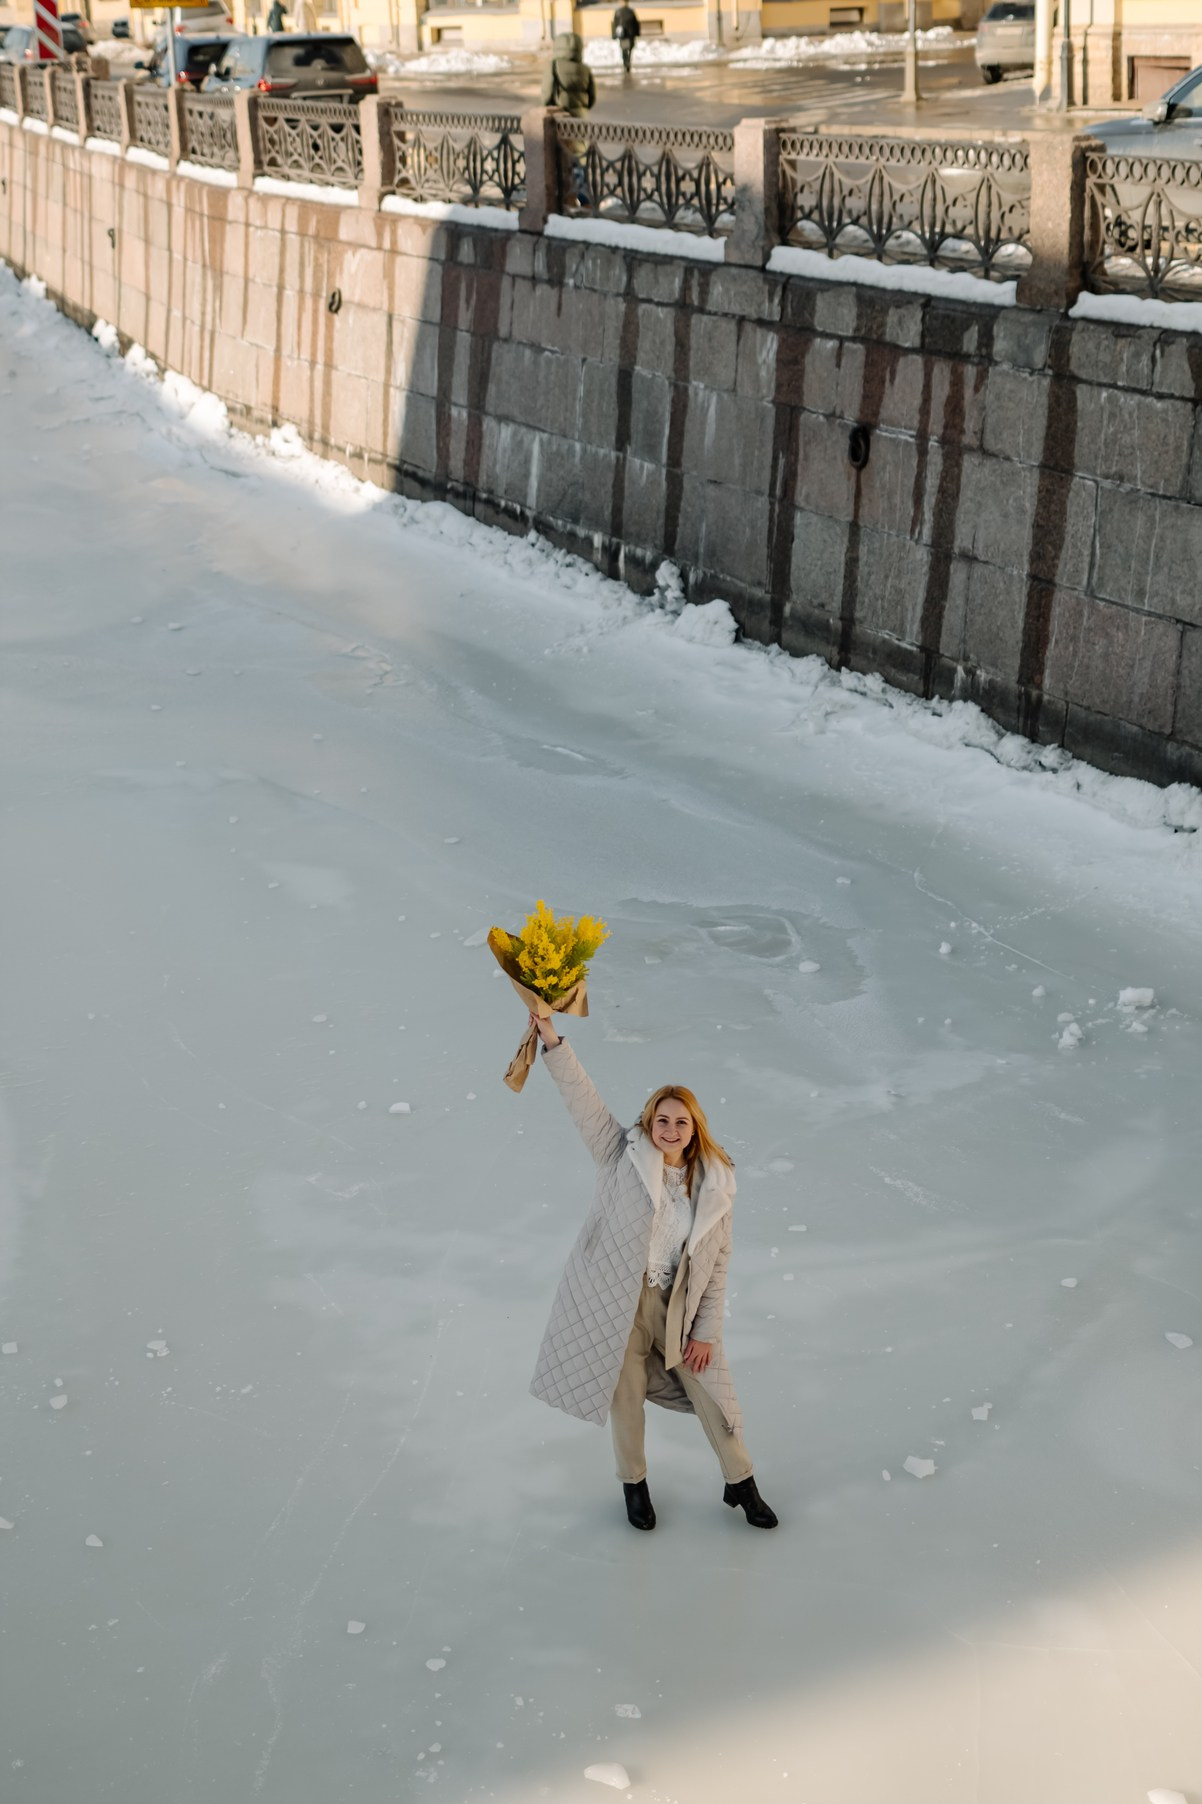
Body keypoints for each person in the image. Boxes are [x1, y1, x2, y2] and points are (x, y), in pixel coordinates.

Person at [527, 1014, 778, 1532]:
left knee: (713, 1395)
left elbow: (717, 1267)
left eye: (680, 1122)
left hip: (677, 1309)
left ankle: (742, 1483)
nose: (670, 1129)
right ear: (649, 1122)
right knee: (625, 1398)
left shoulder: (715, 1187)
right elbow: (583, 1099)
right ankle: (634, 1486)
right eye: (661, 1120)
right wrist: (551, 1039)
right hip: (618, 1302)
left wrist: (705, 1332)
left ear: (695, 1128)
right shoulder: (621, 1156)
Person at [540, 30, 596, 204]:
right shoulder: (585, 69)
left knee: (563, 159)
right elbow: (592, 97)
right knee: (580, 157)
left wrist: (547, 108)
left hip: (562, 118)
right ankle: (585, 198)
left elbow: (547, 92)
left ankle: (566, 199)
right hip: (581, 117)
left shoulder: (554, 66)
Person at [611, 2, 640, 74]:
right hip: (626, 34)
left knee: (627, 50)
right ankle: (626, 63)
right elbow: (615, 23)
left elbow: (635, 23)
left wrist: (637, 32)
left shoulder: (628, 11)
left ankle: (627, 63)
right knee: (626, 50)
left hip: (626, 34)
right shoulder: (621, 12)